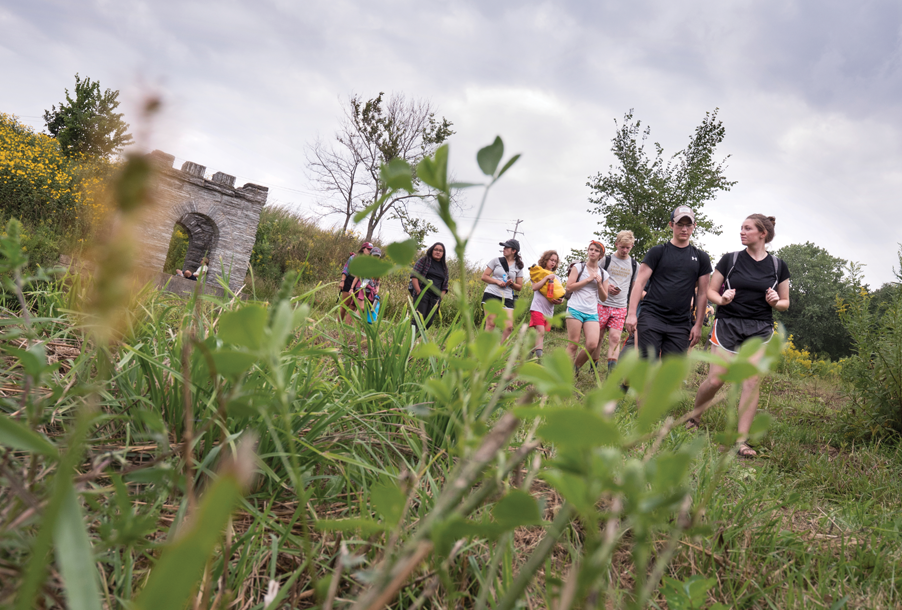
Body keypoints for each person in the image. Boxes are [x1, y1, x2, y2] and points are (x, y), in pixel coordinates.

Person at [689, 214, 790, 458]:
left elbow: (786, 302)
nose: (742, 232)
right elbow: (710, 291)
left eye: (747, 228)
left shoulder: (778, 266)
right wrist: (722, 299)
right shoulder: (730, 260)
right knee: (716, 380)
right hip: (728, 323)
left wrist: (776, 302)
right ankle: (694, 417)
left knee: (751, 381)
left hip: (760, 328)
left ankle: (741, 442)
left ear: (762, 233)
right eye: (741, 228)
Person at [624, 206, 712, 359]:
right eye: (679, 224)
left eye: (688, 225)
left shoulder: (701, 258)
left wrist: (697, 325)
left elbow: (703, 293)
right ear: (671, 225)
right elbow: (639, 283)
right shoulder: (657, 252)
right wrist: (631, 314)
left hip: (680, 323)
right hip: (652, 316)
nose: (684, 229)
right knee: (646, 366)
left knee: (670, 374)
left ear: (694, 226)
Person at [592, 230, 639, 373]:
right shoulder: (605, 260)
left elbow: (635, 287)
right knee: (598, 337)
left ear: (631, 246)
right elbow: (593, 278)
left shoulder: (635, 265)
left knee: (615, 337)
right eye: (622, 247)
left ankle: (611, 372)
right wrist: (606, 286)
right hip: (602, 303)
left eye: (628, 247)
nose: (625, 250)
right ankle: (593, 367)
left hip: (620, 307)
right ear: (616, 244)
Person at [566, 241, 610, 373]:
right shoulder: (578, 267)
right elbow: (569, 287)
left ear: (600, 255)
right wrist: (587, 279)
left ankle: (575, 367)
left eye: (596, 251)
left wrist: (599, 284)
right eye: (591, 249)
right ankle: (564, 374)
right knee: (573, 344)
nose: (592, 252)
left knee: (592, 344)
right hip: (575, 308)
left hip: (591, 311)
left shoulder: (604, 274)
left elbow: (604, 298)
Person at [481, 239, 525, 341]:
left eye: (506, 247)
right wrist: (497, 282)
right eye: (503, 247)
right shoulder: (496, 261)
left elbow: (519, 287)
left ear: (514, 250)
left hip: (507, 297)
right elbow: (484, 277)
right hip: (492, 293)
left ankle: (500, 354)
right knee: (491, 325)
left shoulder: (518, 266)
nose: (504, 249)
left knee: (508, 327)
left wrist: (511, 284)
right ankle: (484, 353)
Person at [528, 250, 564, 358]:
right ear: (545, 260)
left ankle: (528, 356)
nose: (553, 263)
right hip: (537, 308)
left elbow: (559, 295)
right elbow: (534, 287)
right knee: (541, 332)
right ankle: (540, 359)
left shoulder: (557, 279)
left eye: (555, 261)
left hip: (548, 310)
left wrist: (560, 301)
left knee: (539, 335)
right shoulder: (537, 273)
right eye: (551, 260)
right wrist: (546, 278)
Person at [410, 242, 449, 330]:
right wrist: (418, 291)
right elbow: (414, 275)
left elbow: (445, 286)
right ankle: (411, 340)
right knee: (418, 319)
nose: (438, 252)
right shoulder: (424, 260)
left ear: (443, 253)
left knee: (428, 322)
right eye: (436, 249)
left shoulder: (444, 267)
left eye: (440, 251)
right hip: (423, 293)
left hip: (435, 297)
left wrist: (440, 299)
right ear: (432, 250)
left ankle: (417, 337)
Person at [339, 242, 374, 325]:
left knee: (353, 306)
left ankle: (347, 326)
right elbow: (345, 270)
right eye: (368, 249)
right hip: (350, 279)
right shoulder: (353, 258)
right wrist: (342, 281)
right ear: (363, 249)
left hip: (360, 283)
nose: (370, 251)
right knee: (345, 303)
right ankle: (338, 322)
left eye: (371, 250)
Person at [352, 247, 382, 322]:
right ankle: (353, 328)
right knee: (361, 308)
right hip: (361, 288)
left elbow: (378, 280)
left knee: (366, 309)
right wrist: (351, 288)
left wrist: (377, 288)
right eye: (374, 255)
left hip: (371, 290)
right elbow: (357, 276)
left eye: (377, 256)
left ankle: (358, 327)